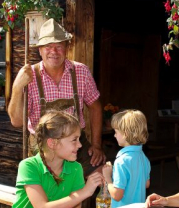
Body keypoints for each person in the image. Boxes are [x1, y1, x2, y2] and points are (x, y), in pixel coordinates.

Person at [7, 18, 105, 175]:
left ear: (67, 48)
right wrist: (17, 87)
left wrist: (96, 145)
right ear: (39, 50)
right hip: (44, 146)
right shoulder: (29, 76)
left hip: (76, 142)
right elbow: (17, 121)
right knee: (53, 189)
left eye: (59, 46)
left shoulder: (81, 71)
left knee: (103, 175)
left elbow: (95, 107)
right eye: (48, 46)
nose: (54, 51)